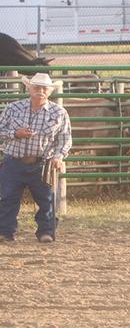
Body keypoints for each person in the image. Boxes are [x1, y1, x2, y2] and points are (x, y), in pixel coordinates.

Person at [0, 72, 72, 243]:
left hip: (42, 163)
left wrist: (58, 156)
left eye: (44, 88)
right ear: (29, 89)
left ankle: (46, 231)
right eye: (37, 87)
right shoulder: (13, 108)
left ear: (50, 91)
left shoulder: (59, 113)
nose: (40, 91)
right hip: (13, 161)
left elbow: (64, 139)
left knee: (46, 199)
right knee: (8, 197)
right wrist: (15, 133)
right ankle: (5, 231)